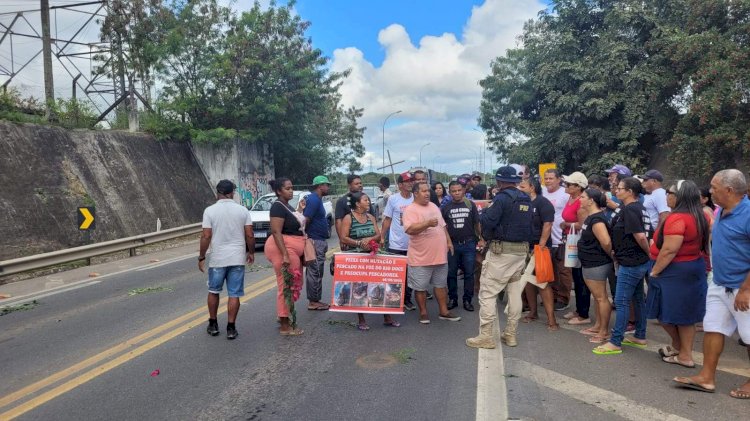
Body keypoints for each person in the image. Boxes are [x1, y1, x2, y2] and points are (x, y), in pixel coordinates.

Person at [674, 170, 750, 398]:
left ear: (729, 190)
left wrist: (746, 289)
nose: (709, 191)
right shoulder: (722, 210)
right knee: (713, 328)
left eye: (714, 187)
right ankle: (707, 377)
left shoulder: (747, 214)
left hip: (743, 287)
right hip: (720, 282)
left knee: (749, 337)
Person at [466, 166, 532, 349]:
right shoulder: (525, 198)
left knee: (487, 293)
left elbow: (487, 222)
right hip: (520, 252)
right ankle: (511, 334)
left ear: (499, 181)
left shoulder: (501, 199)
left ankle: (486, 336)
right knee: (513, 291)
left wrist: (485, 211)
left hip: (501, 252)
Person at [646, 180, 709, 368]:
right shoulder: (701, 216)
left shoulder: (677, 218)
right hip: (691, 268)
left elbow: (669, 250)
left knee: (665, 312)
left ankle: (684, 353)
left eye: (670, 192)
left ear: (679, 196)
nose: (667, 196)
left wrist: (655, 271)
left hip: (673, 270)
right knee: (685, 314)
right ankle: (681, 350)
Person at [593, 177, 651, 354]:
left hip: (632, 262)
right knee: (637, 298)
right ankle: (640, 335)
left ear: (630, 192)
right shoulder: (637, 208)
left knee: (621, 301)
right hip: (636, 261)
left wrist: (649, 254)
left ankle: (615, 341)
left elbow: (640, 236)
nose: (616, 191)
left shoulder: (631, 210)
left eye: (620, 189)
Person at [199, 180, 255, 340]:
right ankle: (231, 328)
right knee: (234, 293)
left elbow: (206, 236)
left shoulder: (209, 211)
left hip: (218, 259)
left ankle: (213, 324)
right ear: (232, 192)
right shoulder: (243, 210)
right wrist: (251, 252)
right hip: (237, 258)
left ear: (218, 192)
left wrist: (202, 256)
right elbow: (249, 235)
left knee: (214, 291)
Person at [340, 191, 400, 330]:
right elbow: (344, 237)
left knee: (381, 285)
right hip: (357, 257)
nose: (368, 202)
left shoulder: (371, 217)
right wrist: (359, 243)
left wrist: (370, 240)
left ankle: (387, 317)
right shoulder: (348, 218)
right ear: (357, 203)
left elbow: (378, 234)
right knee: (359, 287)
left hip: (372, 256)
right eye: (365, 200)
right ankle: (361, 319)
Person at [402, 182, 460, 323]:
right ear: (416, 193)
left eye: (428, 191)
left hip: (439, 255)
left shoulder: (434, 206)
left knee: (441, 285)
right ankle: (423, 313)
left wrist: (448, 241)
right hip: (420, 258)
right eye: (423, 191)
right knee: (420, 287)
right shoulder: (410, 210)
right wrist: (426, 224)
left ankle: (443, 311)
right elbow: (409, 229)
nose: (427, 193)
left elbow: (443, 226)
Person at [265, 178, 306, 336]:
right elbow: (276, 232)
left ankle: (284, 315)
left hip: (292, 249)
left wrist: (300, 210)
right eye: (287, 188)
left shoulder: (286, 206)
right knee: (286, 286)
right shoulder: (277, 206)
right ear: (279, 191)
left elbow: (293, 224)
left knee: (294, 284)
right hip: (284, 249)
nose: (291, 190)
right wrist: (285, 254)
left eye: (292, 188)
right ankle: (285, 326)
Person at [518, 177, 558, 330]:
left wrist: (541, 245)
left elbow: (548, 224)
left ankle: (552, 320)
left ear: (532, 187)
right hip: (524, 248)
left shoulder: (543, 203)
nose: (519, 189)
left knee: (543, 282)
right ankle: (533, 313)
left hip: (540, 249)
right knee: (528, 281)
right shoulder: (522, 203)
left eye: (522, 187)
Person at [577, 188, 614, 344]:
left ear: (591, 200)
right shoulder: (591, 217)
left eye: (583, 196)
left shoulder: (597, 220)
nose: (580, 198)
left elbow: (606, 241)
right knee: (598, 298)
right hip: (589, 262)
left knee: (601, 298)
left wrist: (609, 254)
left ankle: (604, 331)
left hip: (596, 263)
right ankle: (598, 325)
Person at [442, 180, 484, 312]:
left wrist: (481, 238)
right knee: (451, 273)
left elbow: (477, 224)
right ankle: (453, 299)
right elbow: (442, 227)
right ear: (450, 192)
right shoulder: (446, 207)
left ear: (464, 190)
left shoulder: (470, 205)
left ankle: (467, 300)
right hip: (452, 245)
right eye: (453, 191)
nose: (457, 193)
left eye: (459, 190)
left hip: (469, 244)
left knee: (469, 273)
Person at [381, 171, 416, 310]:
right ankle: (395, 299)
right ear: (400, 184)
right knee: (397, 274)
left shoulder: (416, 198)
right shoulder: (393, 199)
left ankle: (407, 299)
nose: (410, 183)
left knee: (411, 274)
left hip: (414, 244)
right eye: (407, 181)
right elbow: (388, 219)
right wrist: (382, 237)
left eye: (411, 181)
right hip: (396, 244)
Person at [560, 172, 591, 326]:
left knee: (580, 277)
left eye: (569, 184)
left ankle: (584, 313)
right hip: (570, 240)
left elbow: (582, 224)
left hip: (578, 241)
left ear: (578, 187)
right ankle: (579, 310)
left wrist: (566, 225)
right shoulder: (571, 199)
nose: (566, 186)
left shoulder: (581, 202)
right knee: (575, 275)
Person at [542, 168, 572, 311]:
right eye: (546, 178)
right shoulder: (542, 192)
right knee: (551, 270)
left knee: (564, 270)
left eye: (551, 178)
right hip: (547, 238)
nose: (548, 181)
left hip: (561, 237)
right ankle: (552, 296)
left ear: (558, 179)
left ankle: (563, 298)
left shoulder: (565, 194)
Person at [303, 176, 331, 311]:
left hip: (318, 239)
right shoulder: (313, 200)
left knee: (316, 270)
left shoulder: (316, 199)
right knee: (315, 271)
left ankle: (315, 300)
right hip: (315, 240)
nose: (328, 188)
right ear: (320, 186)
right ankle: (314, 301)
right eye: (327, 185)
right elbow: (306, 219)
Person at [335, 174, 374, 249]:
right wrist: (342, 239)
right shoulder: (342, 201)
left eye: (360, 183)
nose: (360, 185)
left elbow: (372, 217)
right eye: (356, 184)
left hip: (368, 242)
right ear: (349, 186)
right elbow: (338, 221)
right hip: (351, 242)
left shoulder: (366, 198)